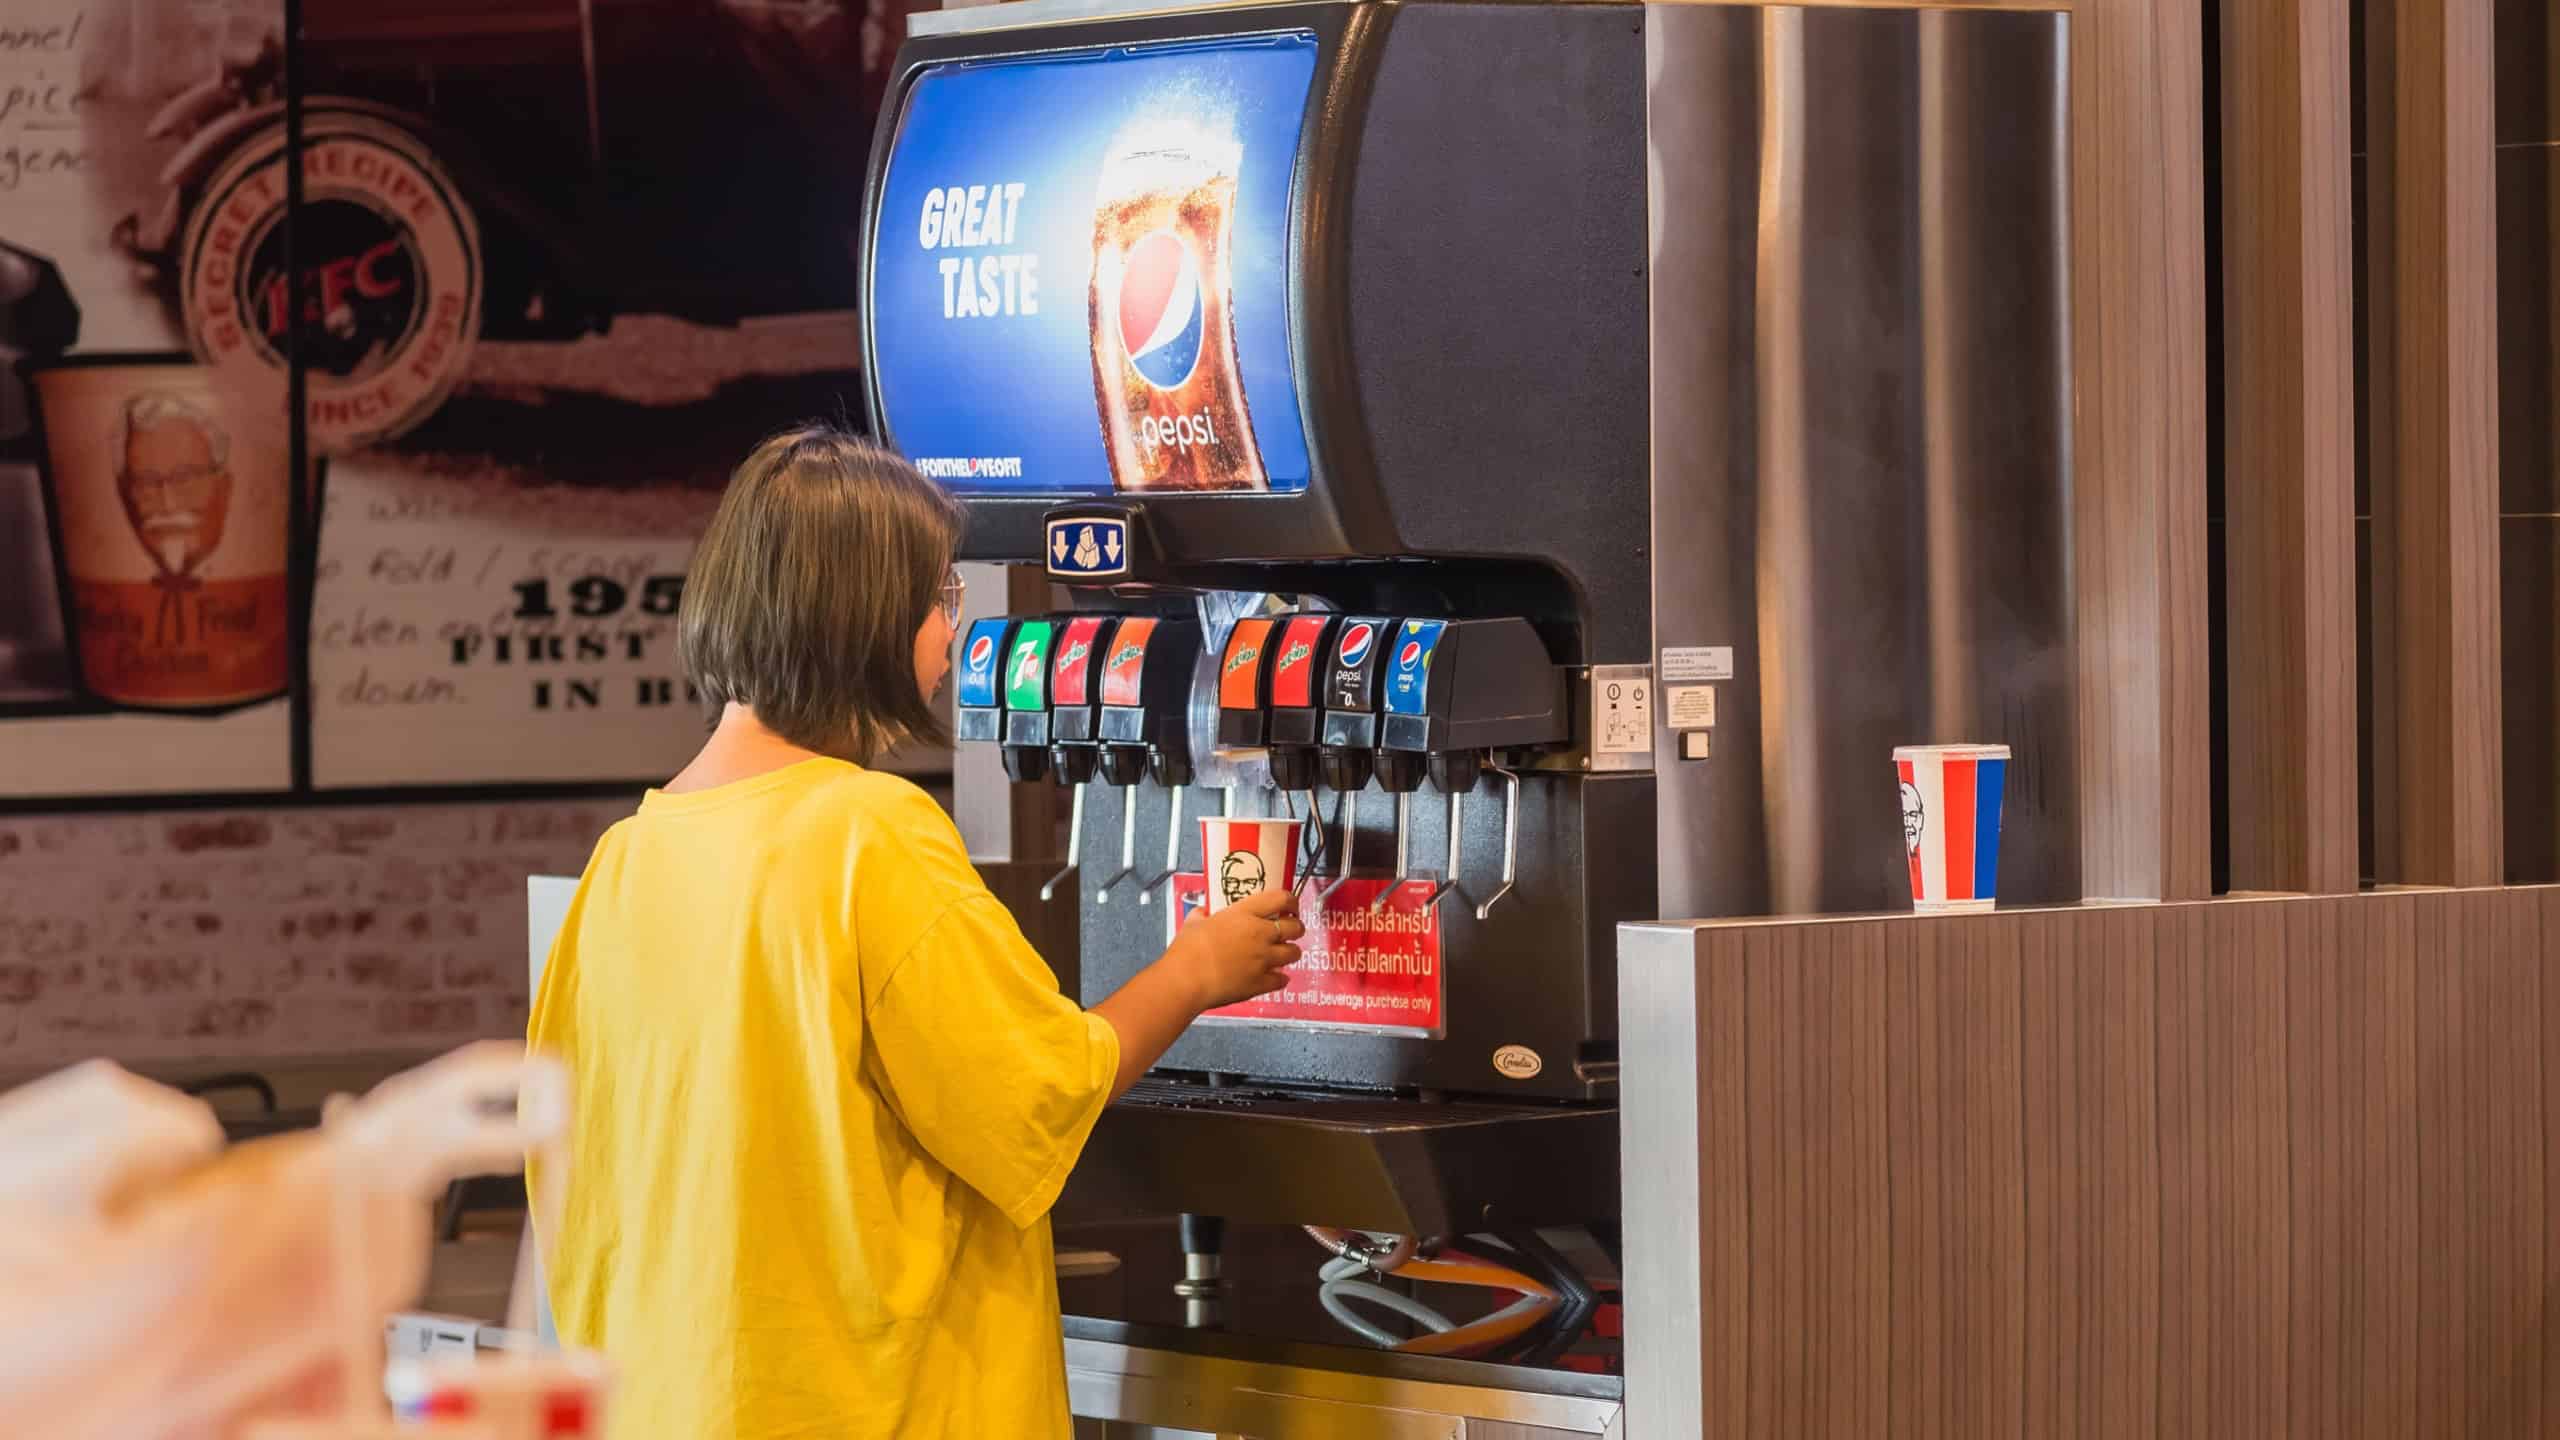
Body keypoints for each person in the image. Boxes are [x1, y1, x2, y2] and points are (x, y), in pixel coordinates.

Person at [526, 425, 1303, 1440]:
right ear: (863, 615)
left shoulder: (627, 858)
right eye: (940, 597)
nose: (951, 633)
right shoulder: (865, 833)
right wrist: (1199, 967)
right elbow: (1036, 1093)